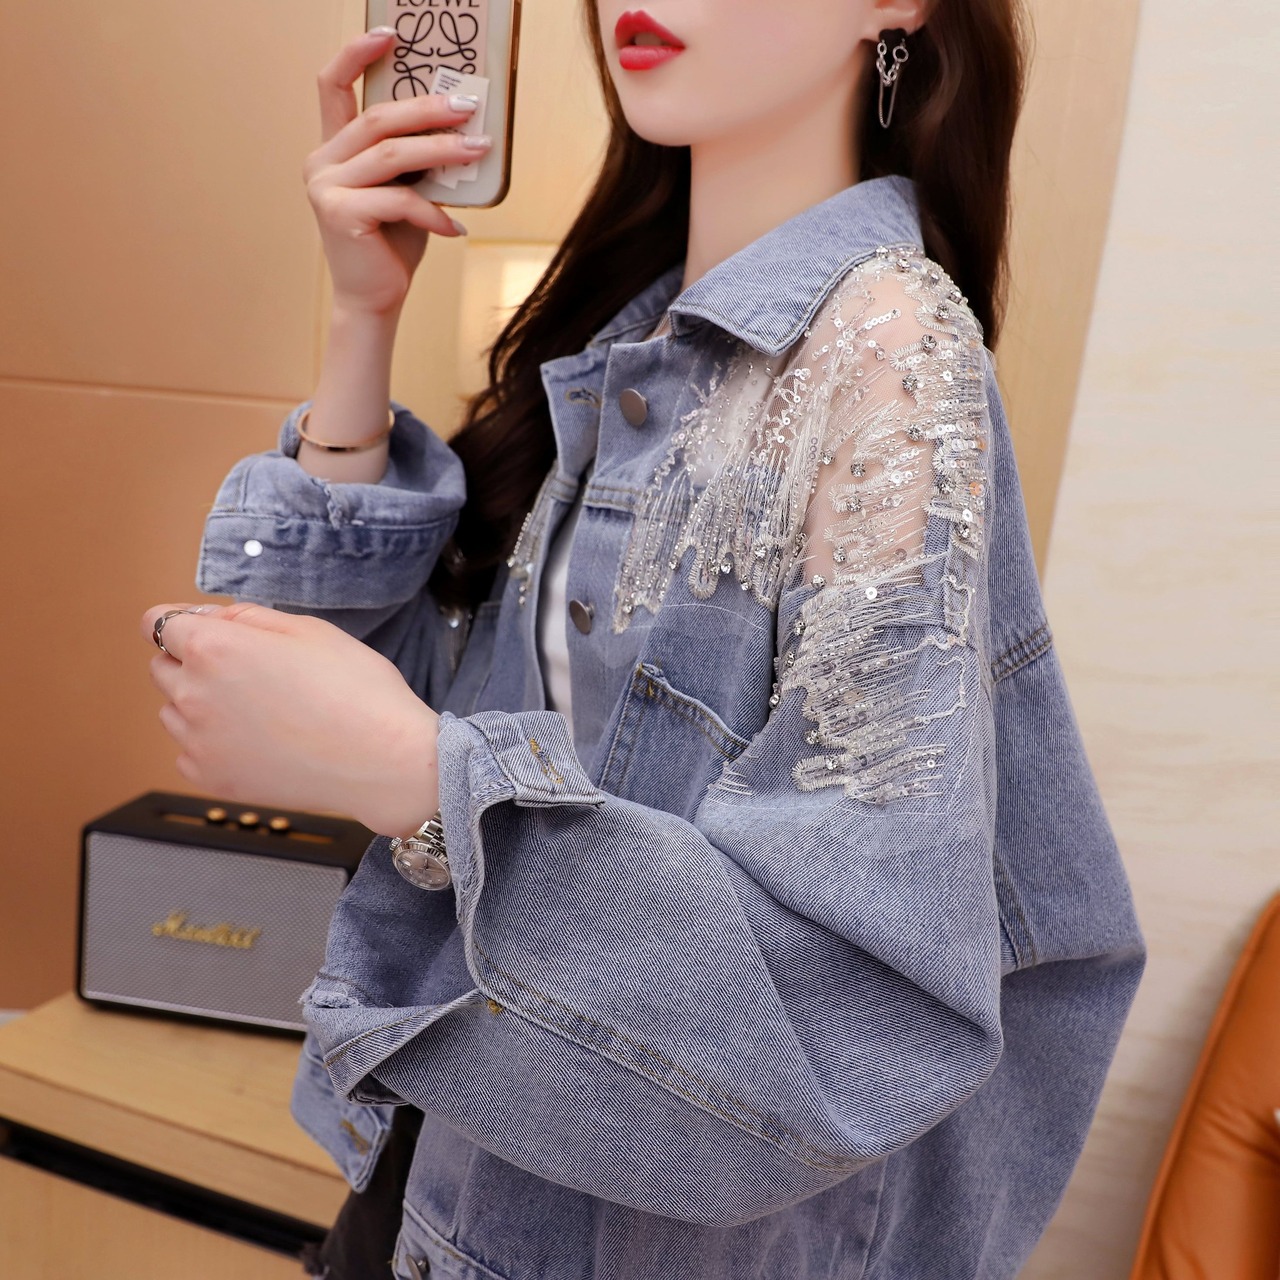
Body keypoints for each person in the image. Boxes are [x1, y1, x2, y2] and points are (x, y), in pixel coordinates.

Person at [141, 1, 1146, 1276]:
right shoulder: (641, 336)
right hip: (443, 1174)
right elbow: (366, 706)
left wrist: (416, 774)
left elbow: (850, 1012)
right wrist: (361, 315)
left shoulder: (887, 356)